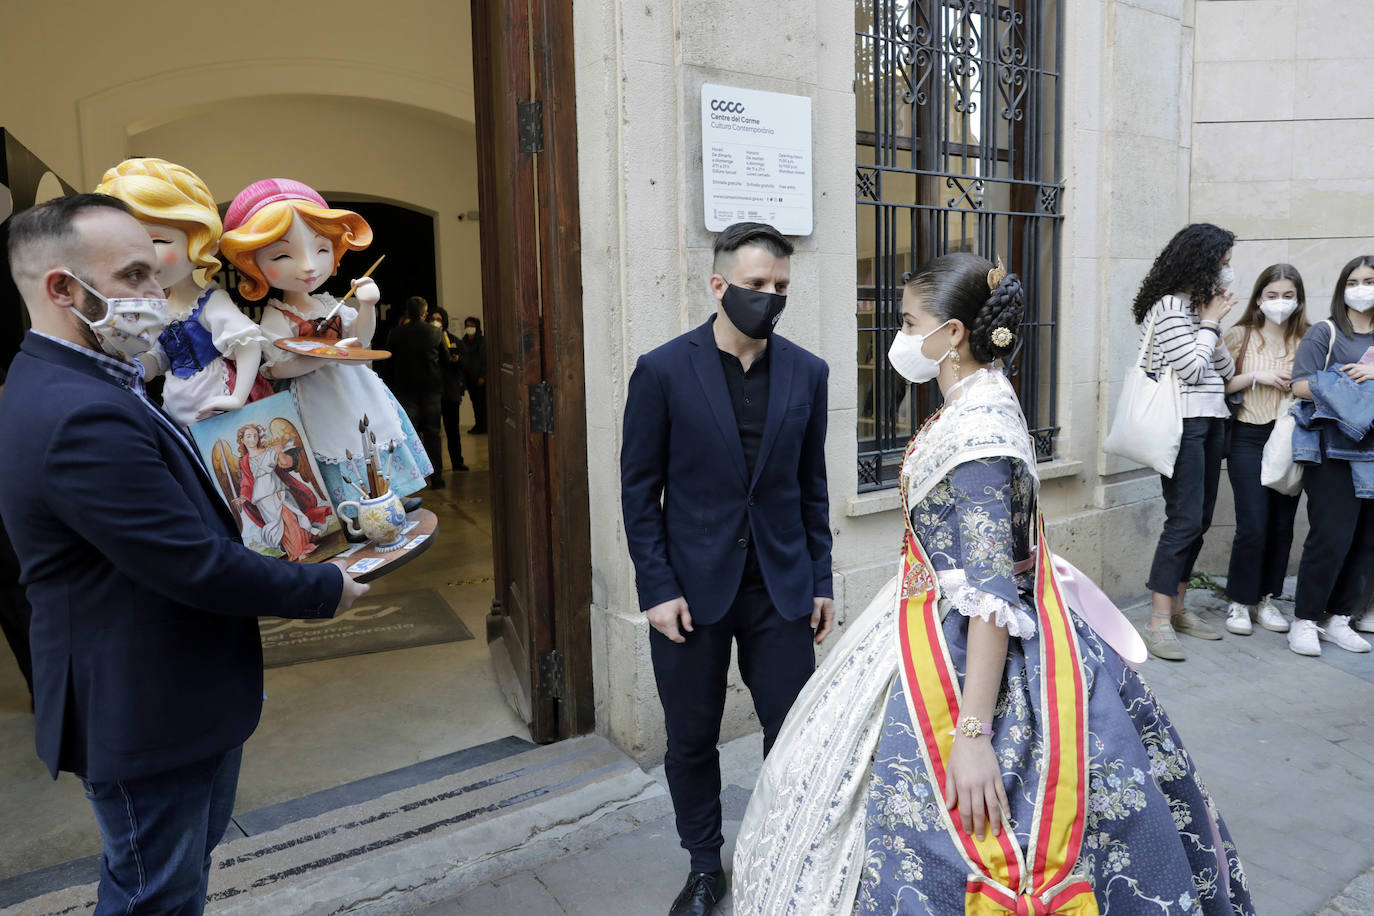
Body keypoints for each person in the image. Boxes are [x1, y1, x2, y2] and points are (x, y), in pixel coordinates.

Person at [732, 252, 1255, 916]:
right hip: (934, 615)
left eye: (908, 321)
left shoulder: (977, 434)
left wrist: (972, 736)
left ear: (952, 335)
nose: (901, 335)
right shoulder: (985, 396)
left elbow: (988, 595)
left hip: (964, 645)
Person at [0, 194, 369, 916]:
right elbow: (189, 564)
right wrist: (325, 588)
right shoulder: (77, 412)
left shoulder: (83, 380)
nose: (155, 294)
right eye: (135, 275)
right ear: (63, 289)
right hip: (145, 708)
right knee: (154, 897)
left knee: (172, 879)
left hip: (170, 694)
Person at [620, 222, 834, 916]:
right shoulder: (662, 370)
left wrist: (822, 578)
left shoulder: (808, 372)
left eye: (780, 288)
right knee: (691, 738)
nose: (769, 298)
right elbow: (638, 490)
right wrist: (656, 588)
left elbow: (812, 487)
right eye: (755, 286)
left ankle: (781, 849)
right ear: (718, 286)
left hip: (781, 588)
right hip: (687, 591)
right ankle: (705, 867)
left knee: (794, 735)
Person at [218, 179, 433, 507]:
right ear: (253, 265)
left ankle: (387, 497)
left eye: (321, 249)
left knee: (371, 435)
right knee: (334, 445)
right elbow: (276, 368)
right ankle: (351, 509)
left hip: (356, 387)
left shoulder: (328, 302)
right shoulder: (276, 314)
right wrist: (327, 354)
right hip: (314, 398)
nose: (307, 266)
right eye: (282, 255)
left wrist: (367, 306)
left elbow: (362, 339)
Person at [93, 158, 273, 426]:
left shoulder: (212, 302)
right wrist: (137, 367)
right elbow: (161, 356)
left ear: (201, 243)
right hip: (178, 401)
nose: (140, 255)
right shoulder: (162, 307)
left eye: (158, 241)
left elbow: (247, 344)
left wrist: (236, 397)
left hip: (216, 398)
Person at [1132, 223, 1238, 661]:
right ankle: (1158, 620)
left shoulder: (1195, 311)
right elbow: (1193, 371)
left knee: (1201, 518)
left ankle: (1178, 608)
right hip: (1183, 425)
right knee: (1183, 519)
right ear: (1202, 262)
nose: (1229, 273)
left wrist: (1210, 322)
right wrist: (1210, 322)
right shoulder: (1169, 307)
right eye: (1224, 264)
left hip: (1212, 421)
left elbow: (1226, 370)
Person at [1286, 254, 1374, 657]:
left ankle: (1338, 618)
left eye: (1368, 281)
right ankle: (1305, 620)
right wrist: (1344, 383)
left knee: (1366, 540)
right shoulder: (1326, 333)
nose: (1360, 289)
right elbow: (1300, 385)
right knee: (1331, 537)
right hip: (1332, 451)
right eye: (1353, 282)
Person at [1221, 263, 1308, 635]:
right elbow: (1219, 385)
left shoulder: (1308, 339)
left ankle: (1267, 599)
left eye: (1288, 296)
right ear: (1259, 298)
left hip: (1289, 437)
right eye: (1272, 295)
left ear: (1298, 300)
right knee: (1253, 524)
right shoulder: (1239, 335)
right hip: (1247, 435)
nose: (1280, 303)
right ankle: (1239, 602)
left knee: (1281, 524)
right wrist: (1258, 376)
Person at [234, 422, 331, 559]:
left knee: (291, 516)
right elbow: (246, 482)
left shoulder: (269, 451)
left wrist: (280, 452)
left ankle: (301, 549)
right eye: (248, 436)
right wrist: (243, 496)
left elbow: (287, 464)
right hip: (262, 498)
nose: (252, 439)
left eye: (255, 435)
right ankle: (294, 552)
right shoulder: (244, 461)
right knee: (279, 525)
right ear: (242, 440)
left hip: (278, 489)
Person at [386, 296, 450, 488]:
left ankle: (415, 479)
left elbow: (387, 363)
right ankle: (436, 477)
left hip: (405, 391)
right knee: (433, 434)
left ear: (407, 312)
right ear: (425, 313)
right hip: (431, 391)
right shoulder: (435, 332)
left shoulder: (396, 333)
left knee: (410, 435)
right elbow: (446, 360)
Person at [428, 305, 469, 473]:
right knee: (432, 433)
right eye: (433, 319)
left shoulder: (453, 340)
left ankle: (457, 462)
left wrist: (457, 360)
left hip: (450, 392)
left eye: (439, 319)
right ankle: (433, 469)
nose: (436, 322)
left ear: (444, 321)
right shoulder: (426, 340)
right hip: (433, 393)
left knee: (453, 430)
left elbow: (464, 362)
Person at [460, 315, 488, 434]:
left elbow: (484, 360)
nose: (469, 328)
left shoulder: (481, 341)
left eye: (472, 325)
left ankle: (483, 426)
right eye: (467, 325)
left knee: (481, 403)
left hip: (478, 377)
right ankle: (478, 425)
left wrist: (482, 376)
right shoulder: (464, 341)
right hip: (468, 376)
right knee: (475, 403)